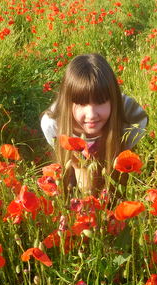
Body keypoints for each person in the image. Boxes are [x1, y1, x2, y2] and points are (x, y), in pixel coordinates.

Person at [41, 53, 148, 195]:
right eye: (81, 103)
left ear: (113, 100)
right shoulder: (53, 123)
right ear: (68, 102)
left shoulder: (132, 117)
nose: (91, 115)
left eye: (101, 102)